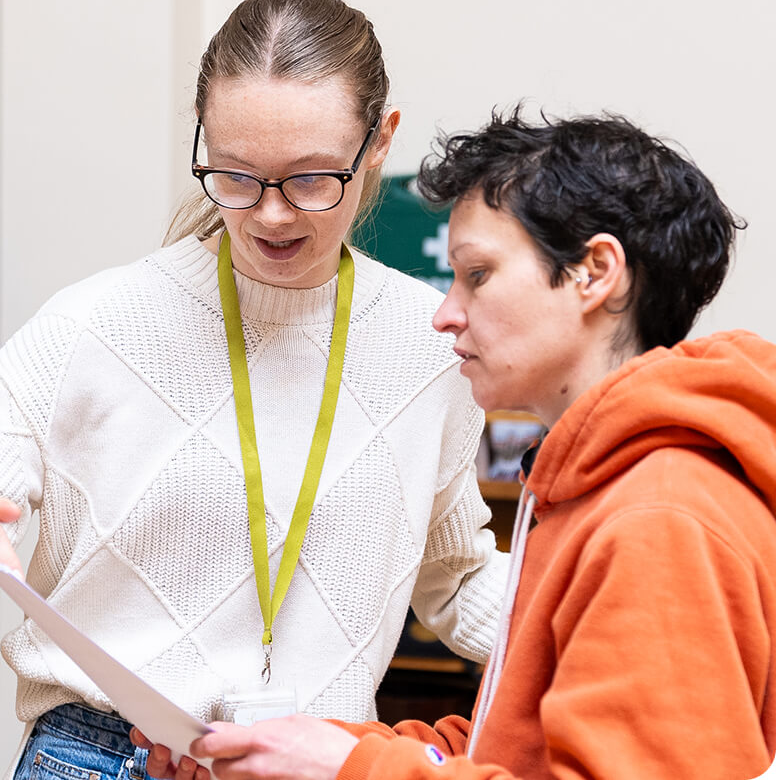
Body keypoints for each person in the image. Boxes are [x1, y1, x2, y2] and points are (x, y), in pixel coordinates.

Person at [0, 0, 508, 779]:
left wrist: (614, 625)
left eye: (312, 178)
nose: (272, 216)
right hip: (103, 758)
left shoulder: (431, 344)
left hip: (315, 764)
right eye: (237, 175)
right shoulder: (99, 324)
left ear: (379, 141)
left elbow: (455, 577)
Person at [138, 107, 776, 779]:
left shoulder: (660, 515)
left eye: (477, 275)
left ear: (594, 272)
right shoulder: (601, 487)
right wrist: (293, 751)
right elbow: (519, 745)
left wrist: (347, 770)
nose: (445, 314)